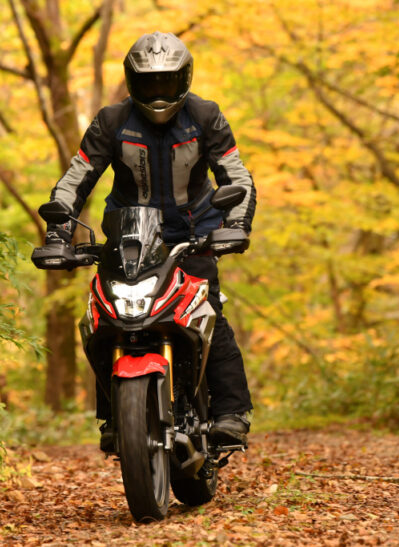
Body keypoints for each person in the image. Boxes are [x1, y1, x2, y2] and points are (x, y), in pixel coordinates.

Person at [39, 32, 255, 449]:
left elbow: (237, 177)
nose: (159, 92)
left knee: (208, 312)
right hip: (130, 237)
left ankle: (231, 412)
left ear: (184, 79)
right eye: (149, 82)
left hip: (194, 236)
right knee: (107, 318)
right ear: (132, 81)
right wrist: (58, 232)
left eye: (167, 82)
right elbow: (75, 179)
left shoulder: (206, 116)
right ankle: (115, 416)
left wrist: (236, 224)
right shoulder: (111, 121)